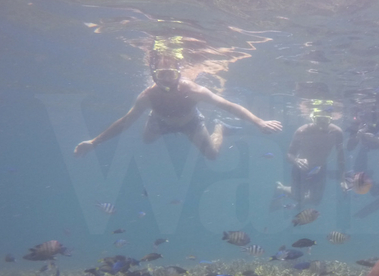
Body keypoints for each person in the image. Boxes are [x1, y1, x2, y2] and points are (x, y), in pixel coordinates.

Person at [73, 52, 281, 160]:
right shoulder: (148, 96)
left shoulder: (193, 90)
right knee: (147, 141)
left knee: (212, 156)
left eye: (170, 74)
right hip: (159, 121)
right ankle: (153, 120)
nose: (165, 81)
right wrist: (94, 142)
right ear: (153, 75)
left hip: (191, 123)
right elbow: (125, 122)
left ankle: (220, 128)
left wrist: (259, 121)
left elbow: (229, 106)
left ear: (179, 74)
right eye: (160, 75)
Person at [277, 102, 345, 207]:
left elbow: (341, 156)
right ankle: (282, 188)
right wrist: (296, 160)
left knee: (316, 201)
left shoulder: (336, 132)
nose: (321, 125)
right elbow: (289, 154)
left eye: (325, 120)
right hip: (301, 168)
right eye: (319, 120)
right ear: (313, 119)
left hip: (320, 167)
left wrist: (343, 178)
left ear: (330, 119)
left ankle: (299, 195)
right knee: (297, 197)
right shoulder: (302, 131)